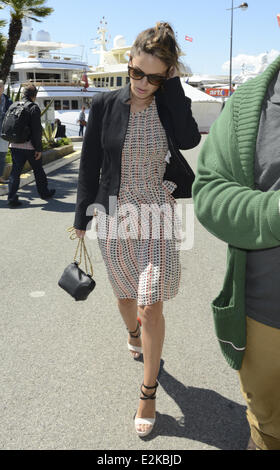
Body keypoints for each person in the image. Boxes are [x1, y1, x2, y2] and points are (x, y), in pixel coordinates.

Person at [74, 22, 200, 437]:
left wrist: (175, 87)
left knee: (151, 303)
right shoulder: (106, 105)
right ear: (128, 63)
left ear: (167, 76)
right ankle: (132, 334)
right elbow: (90, 164)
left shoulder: (167, 103)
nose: (143, 83)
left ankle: (148, 392)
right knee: (126, 296)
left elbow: (186, 140)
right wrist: (81, 220)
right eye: (137, 73)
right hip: (113, 213)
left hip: (156, 211)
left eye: (155, 76)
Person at [192, 55, 280, 450]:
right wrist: (274, 212)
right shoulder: (248, 104)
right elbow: (208, 191)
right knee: (269, 426)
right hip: (267, 318)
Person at [7, 84, 55, 207]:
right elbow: (36, 130)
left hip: (14, 145)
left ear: (23, 94)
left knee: (15, 173)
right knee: (38, 170)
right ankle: (44, 193)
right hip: (30, 147)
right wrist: (38, 149)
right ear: (34, 95)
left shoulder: (14, 105)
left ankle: (11, 198)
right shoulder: (33, 107)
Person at [0, 80, 12, 184]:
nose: (0, 88)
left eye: (1, 86)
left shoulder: (8, 100)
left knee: (2, 155)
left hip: (3, 133)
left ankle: (0, 177)